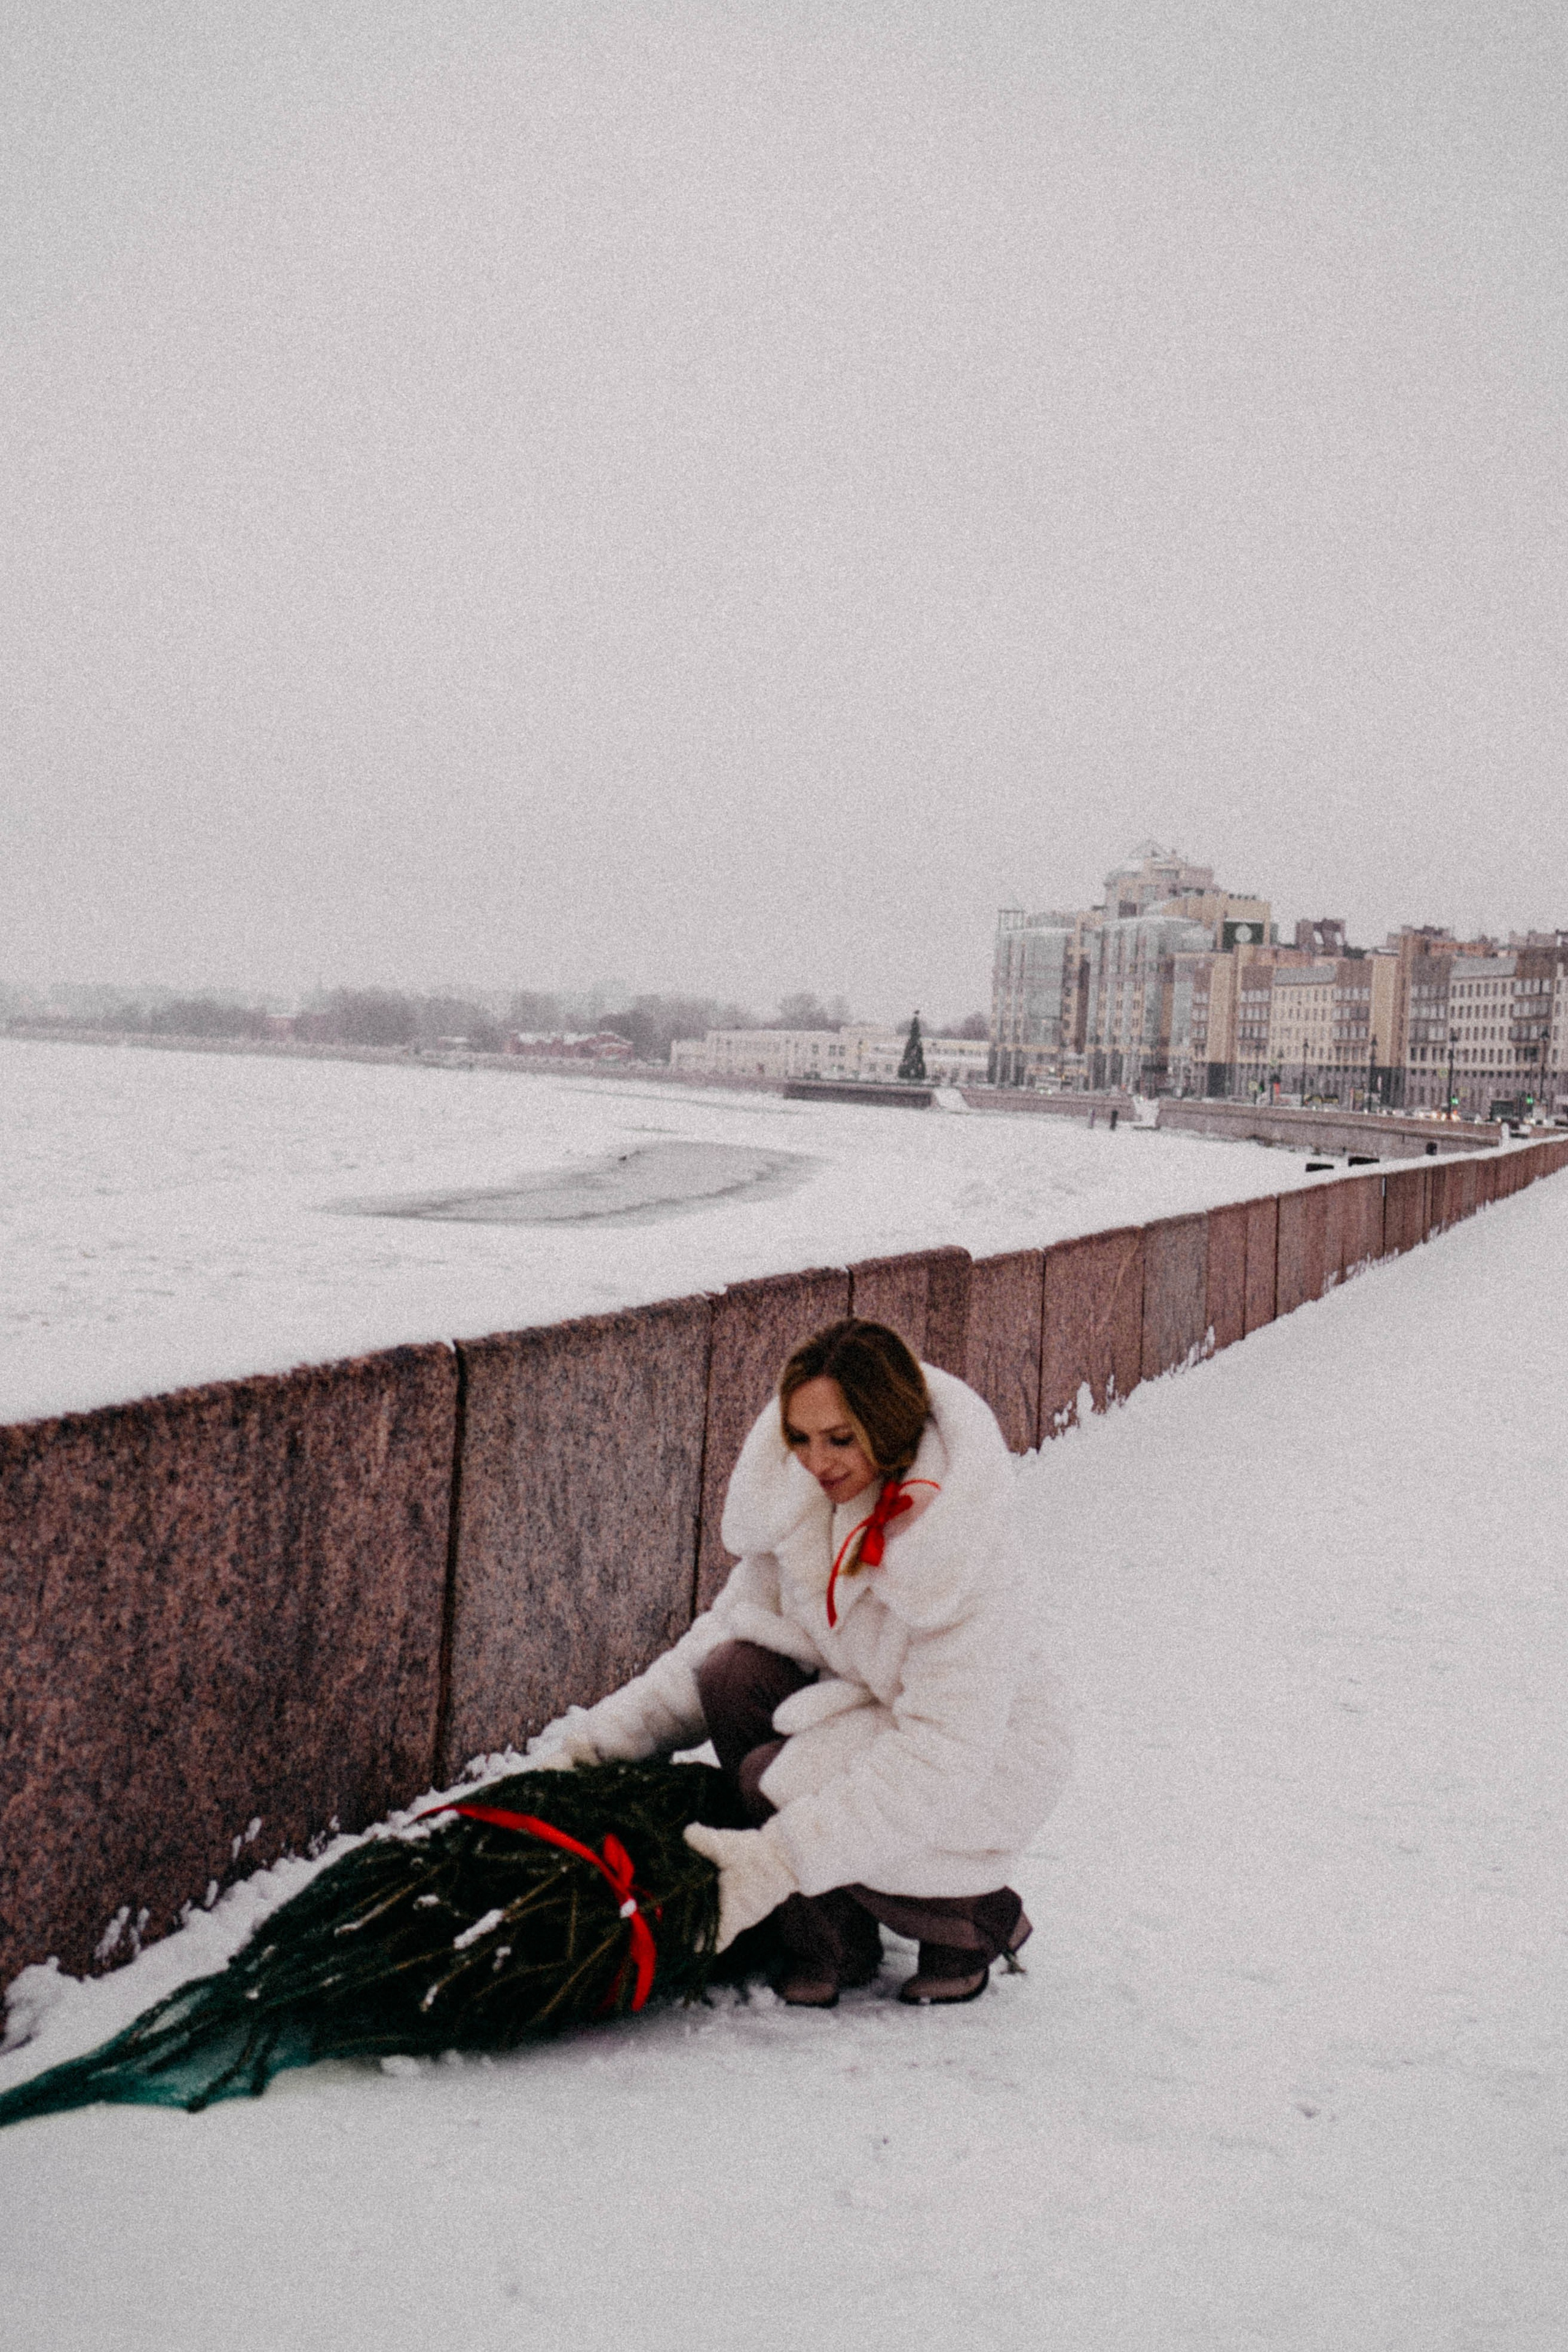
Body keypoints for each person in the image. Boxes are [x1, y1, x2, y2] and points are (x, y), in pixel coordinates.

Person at [529, 1317, 1071, 2007]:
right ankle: (833, 1939)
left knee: (774, 1779)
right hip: (873, 1710)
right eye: (800, 1439)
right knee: (731, 1674)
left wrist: (776, 1859)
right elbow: (714, 1640)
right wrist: (596, 1748)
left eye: (840, 1439)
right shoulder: (808, 1502)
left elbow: (943, 1752)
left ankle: (968, 1919)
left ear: (887, 1424)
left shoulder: (963, 1550)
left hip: (987, 1757)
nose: (817, 1462)